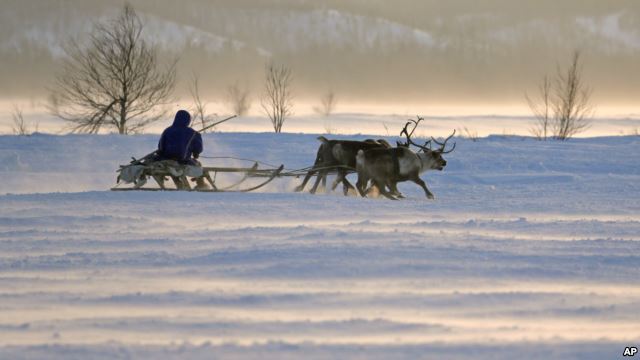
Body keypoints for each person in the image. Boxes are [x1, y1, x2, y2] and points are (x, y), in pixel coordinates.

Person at [156, 110, 209, 189]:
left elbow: (160, 147)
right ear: (188, 120)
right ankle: (201, 184)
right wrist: (196, 153)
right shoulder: (192, 133)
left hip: (166, 159)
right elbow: (198, 148)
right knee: (198, 164)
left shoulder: (167, 131)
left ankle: (175, 184)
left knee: (163, 162)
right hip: (183, 160)